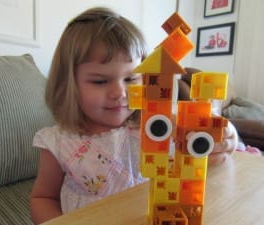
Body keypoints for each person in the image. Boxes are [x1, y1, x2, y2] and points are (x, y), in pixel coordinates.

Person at [30, 7, 238, 224]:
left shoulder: (158, 125)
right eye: (100, 81)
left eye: (131, 80)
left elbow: (203, 146)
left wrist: (225, 137)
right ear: (68, 85)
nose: (120, 93)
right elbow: (43, 197)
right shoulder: (58, 142)